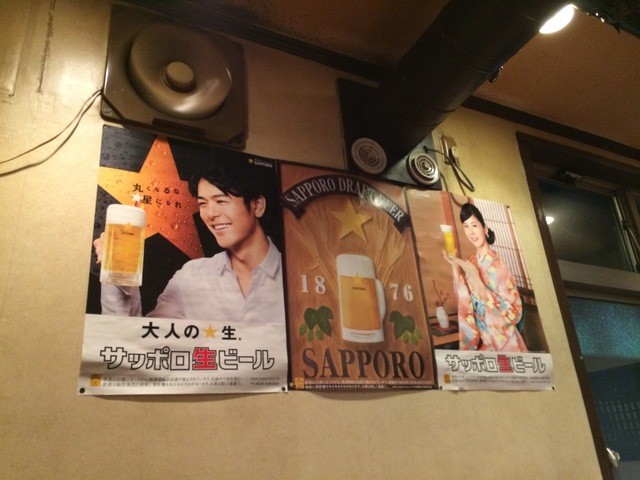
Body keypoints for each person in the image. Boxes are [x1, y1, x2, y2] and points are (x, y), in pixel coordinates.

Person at [94, 160, 285, 327]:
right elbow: (139, 338)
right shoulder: (192, 276)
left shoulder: (293, 276)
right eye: (203, 204)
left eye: (221, 201)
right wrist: (117, 274)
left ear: (257, 205)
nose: (210, 214)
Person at [442, 202, 527, 352]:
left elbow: (514, 313)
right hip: (484, 340)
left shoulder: (500, 266)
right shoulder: (471, 262)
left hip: (504, 341)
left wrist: (477, 279)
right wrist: (454, 265)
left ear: (485, 229)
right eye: (466, 226)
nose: (471, 232)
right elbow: (465, 299)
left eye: (474, 225)